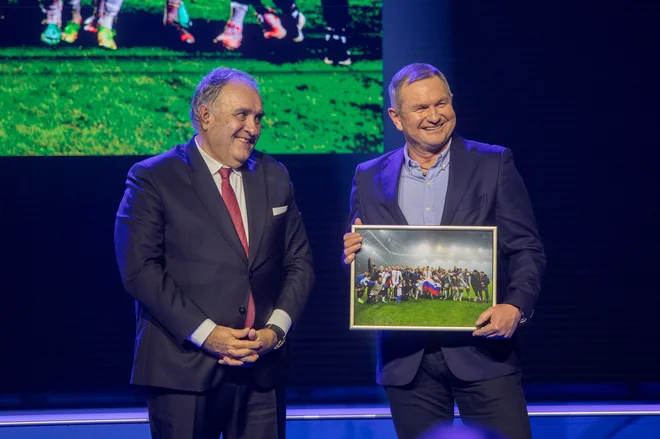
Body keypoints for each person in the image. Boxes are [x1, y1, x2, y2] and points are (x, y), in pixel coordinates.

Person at [342, 62, 546, 439]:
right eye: (421, 108)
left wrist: (515, 307)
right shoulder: (368, 175)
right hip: (407, 363)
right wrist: (354, 257)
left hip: (485, 355)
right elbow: (367, 256)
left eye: (442, 104)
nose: (435, 116)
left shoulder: (493, 163)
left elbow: (528, 249)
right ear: (397, 118)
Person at [114, 67, 315, 439]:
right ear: (205, 115)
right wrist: (208, 334)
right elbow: (139, 270)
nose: (252, 128)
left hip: (262, 369)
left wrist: (275, 332)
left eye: (258, 118)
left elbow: (299, 263)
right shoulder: (154, 177)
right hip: (182, 370)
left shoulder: (274, 175)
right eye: (242, 115)